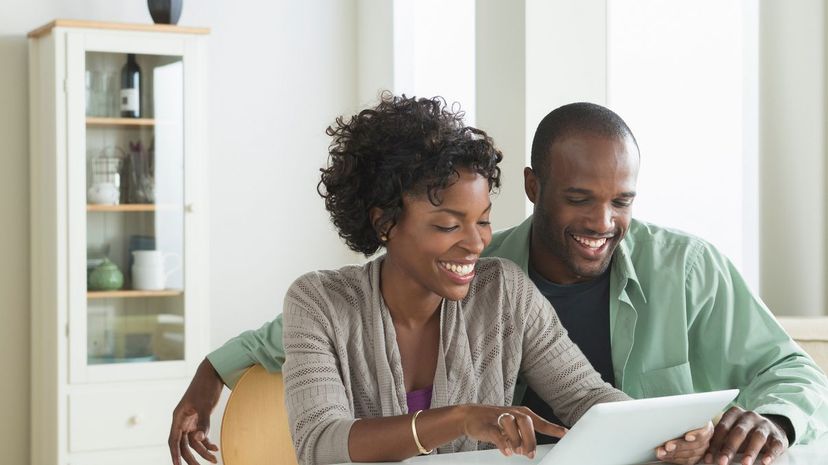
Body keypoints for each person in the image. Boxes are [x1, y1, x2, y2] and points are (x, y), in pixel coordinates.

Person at [168, 95, 711, 465]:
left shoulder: (506, 292)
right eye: (448, 225)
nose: (475, 243)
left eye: (482, 221)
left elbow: (584, 395)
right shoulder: (320, 302)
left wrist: (667, 434)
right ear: (384, 221)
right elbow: (321, 443)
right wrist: (461, 419)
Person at [482, 102, 828, 465]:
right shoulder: (477, 272)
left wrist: (775, 420)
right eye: (578, 199)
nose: (603, 222)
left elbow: (793, 370)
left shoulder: (686, 269)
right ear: (533, 186)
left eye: (621, 202)